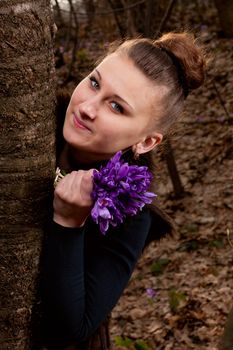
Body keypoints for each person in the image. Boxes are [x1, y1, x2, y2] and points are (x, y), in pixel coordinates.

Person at [42, 32, 206, 350]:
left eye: (116, 106)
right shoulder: (23, 126)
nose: (88, 107)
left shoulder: (130, 217)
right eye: (94, 82)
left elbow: (73, 328)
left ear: (146, 142)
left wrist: (69, 223)